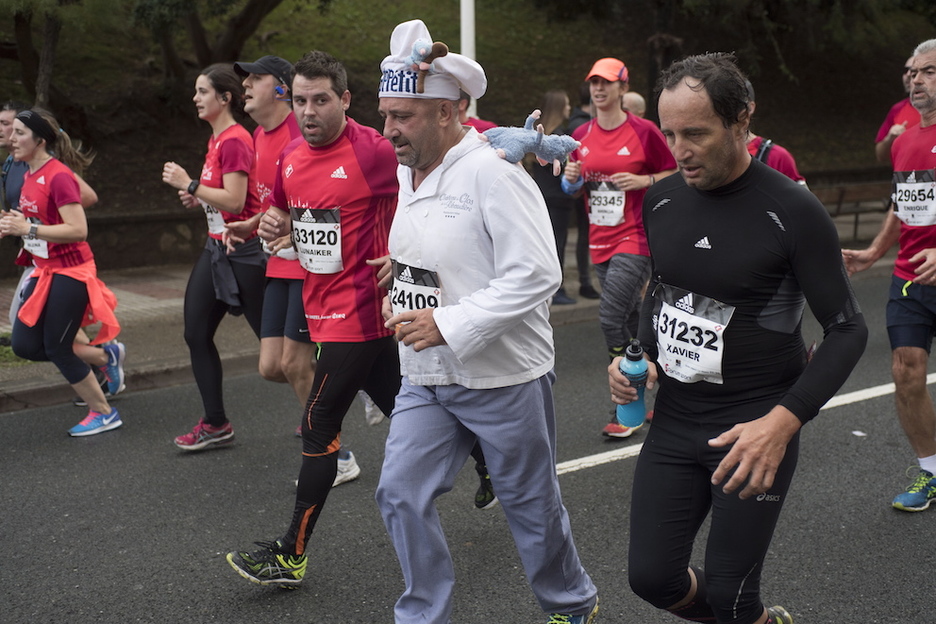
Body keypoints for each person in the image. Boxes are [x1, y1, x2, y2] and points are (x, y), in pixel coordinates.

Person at [610, 52, 867, 624]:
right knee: (651, 578)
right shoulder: (663, 199)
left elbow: (849, 329)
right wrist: (642, 357)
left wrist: (783, 423)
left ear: (742, 120)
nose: (678, 150)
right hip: (676, 421)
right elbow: (665, 293)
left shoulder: (793, 211)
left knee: (728, 595)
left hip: (755, 424)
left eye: (696, 133)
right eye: (669, 133)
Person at [374, 20, 599, 624]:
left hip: (503, 377)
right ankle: (424, 615)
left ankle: (571, 604)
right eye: (386, 115)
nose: (388, 129)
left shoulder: (495, 173)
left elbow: (537, 274)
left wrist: (452, 323)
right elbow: (445, 248)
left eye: (403, 116)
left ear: (447, 112)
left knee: (530, 506)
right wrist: (399, 270)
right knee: (399, 492)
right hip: (426, 374)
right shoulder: (407, 169)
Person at [225, 50, 401, 588]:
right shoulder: (292, 155)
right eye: (299, 100)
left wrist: (408, 251)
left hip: (365, 311)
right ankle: (491, 463)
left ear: (345, 100)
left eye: (320, 100)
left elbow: (424, 192)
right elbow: (282, 210)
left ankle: (290, 553)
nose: (308, 111)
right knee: (413, 404)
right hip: (319, 305)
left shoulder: (374, 150)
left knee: (319, 424)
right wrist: (269, 224)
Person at [843, 38, 936, 512]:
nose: (916, 80)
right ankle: (932, 472)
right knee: (906, 370)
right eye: (913, 72)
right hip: (910, 277)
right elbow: (904, 204)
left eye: (929, 72)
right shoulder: (906, 140)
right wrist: (875, 251)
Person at [562, 56, 677, 438]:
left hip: (637, 236)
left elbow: (677, 171)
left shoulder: (644, 131)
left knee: (610, 316)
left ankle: (625, 399)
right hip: (599, 239)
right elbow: (572, 189)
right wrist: (572, 179)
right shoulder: (580, 137)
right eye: (594, 82)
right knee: (631, 321)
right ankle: (666, 385)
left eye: (607, 83)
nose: (599, 89)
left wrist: (645, 181)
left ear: (622, 88)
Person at [0, 108, 125, 436]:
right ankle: (105, 356)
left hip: (70, 273)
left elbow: (77, 230)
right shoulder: (28, 173)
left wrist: (27, 228)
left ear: (40, 140)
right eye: (11, 132)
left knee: (57, 346)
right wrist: (15, 226)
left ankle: (104, 412)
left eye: (19, 133)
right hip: (44, 271)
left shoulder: (58, 175)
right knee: (25, 346)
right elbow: (37, 223)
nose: (11, 139)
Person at [161, 63, 266, 451]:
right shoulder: (217, 140)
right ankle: (216, 423)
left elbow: (237, 201)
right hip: (216, 247)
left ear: (225, 98)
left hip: (244, 252)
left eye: (202, 91)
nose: (195, 97)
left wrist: (189, 182)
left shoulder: (236, 139)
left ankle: (325, 407)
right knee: (195, 332)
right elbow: (221, 195)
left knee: (277, 353)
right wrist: (199, 193)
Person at [531, 89, 577, 305]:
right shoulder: (559, 137)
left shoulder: (538, 135)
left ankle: (547, 288)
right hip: (559, 200)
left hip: (541, 197)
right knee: (557, 245)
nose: (569, 108)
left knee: (545, 245)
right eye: (566, 104)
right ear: (559, 107)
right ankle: (557, 289)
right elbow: (567, 169)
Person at [567, 82, 600, 301]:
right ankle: (585, 282)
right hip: (589, 191)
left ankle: (587, 281)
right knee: (586, 235)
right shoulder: (582, 128)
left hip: (595, 191)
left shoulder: (581, 123)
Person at [743, 81, 806, 185]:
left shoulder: (777, 157)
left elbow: (802, 200)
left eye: (735, 105)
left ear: (751, 108)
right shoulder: (710, 154)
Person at [875, 56, 921, 165]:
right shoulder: (898, 109)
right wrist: (890, 139)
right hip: (905, 180)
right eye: (906, 70)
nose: (908, 74)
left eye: (914, 70)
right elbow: (880, 156)